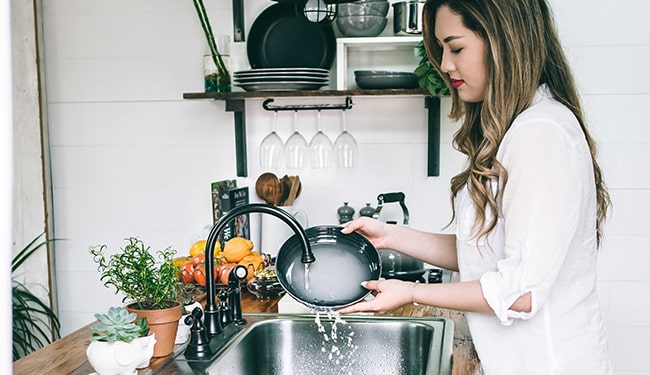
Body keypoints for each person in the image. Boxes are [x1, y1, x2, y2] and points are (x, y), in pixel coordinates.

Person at [338, 0, 613, 373]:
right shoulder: (521, 129)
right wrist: (391, 236)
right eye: (442, 50)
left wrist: (412, 291)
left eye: (456, 47)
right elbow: (484, 253)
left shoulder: (539, 135)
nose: (446, 64)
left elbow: (520, 293)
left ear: (502, 40)